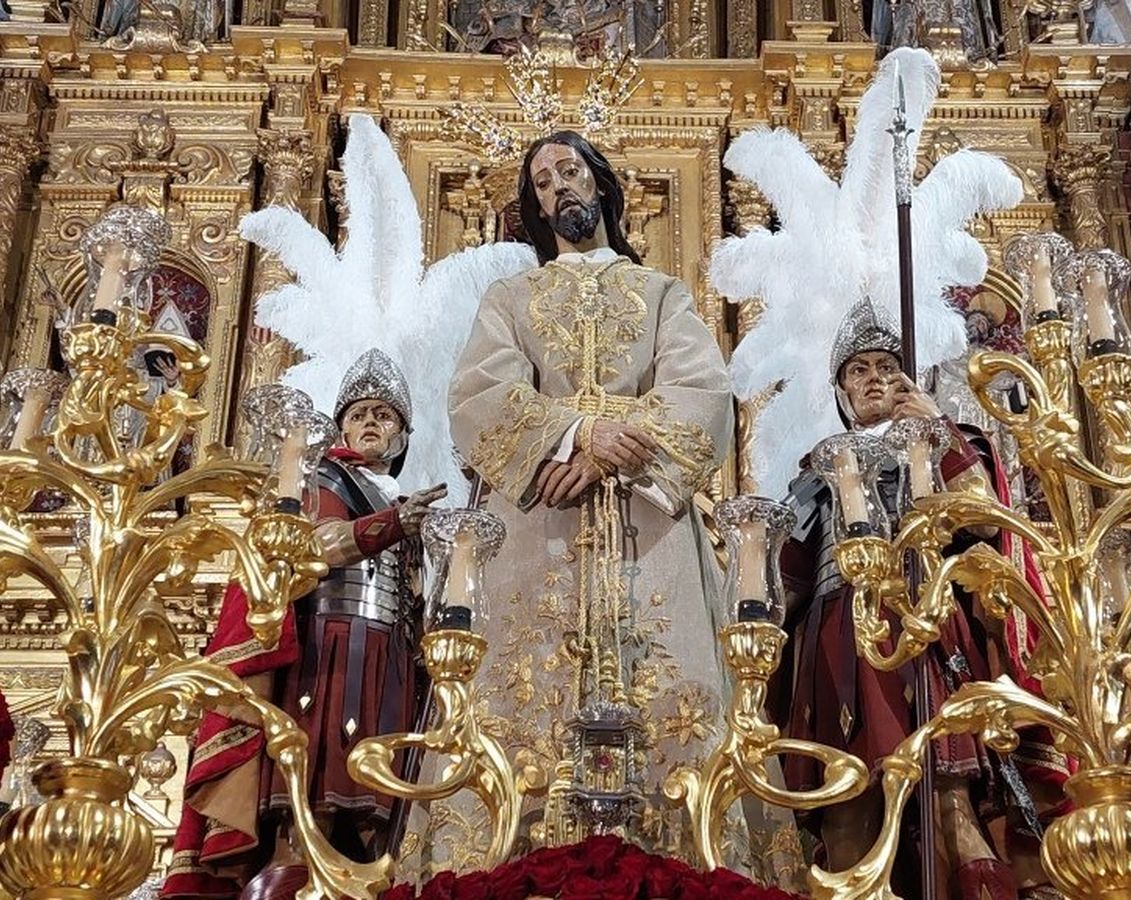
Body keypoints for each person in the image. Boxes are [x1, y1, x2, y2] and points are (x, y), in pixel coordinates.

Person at [404, 130, 799, 881]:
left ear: (601, 185)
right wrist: (581, 432)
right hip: (537, 517)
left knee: (676, 692)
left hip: (649, 520)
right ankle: (506, 864)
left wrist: (614, 442)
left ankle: (681, 861)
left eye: (570, 170)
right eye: (543, 179)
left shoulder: (661, 294)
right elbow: (479, 395)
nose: (558, 186)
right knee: (513, 700)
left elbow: (703, 392)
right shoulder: (511, 298)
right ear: (534, 204)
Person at [773, 299, 1060, 900]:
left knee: (945, 796)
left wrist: (936, 428)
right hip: (833, 636)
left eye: (886, 365)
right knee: (846, 805)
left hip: (920, 620)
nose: (873, 376)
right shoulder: (816, 468)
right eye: (858, 369)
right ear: (840, 390)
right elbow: (788, 580)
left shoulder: (932, 446)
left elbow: (982, 521)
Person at [162, 350, 446, 900]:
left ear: (404, 436)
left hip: (390, 649)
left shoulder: (407, 502)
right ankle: (297, 857)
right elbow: (309, 546)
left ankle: (367, 859)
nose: (370, 422)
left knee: (380, 777)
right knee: (320, 765)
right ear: (341, 426)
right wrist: (387, 526)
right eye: (359, 413)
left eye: (384, 416)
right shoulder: (323, 478)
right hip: (330, 640)